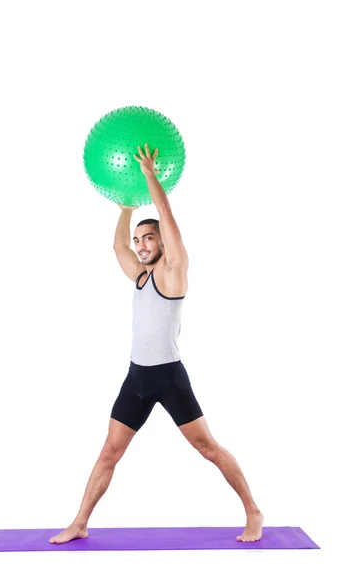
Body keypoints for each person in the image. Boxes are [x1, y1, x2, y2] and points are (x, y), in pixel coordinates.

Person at [49, 144, 264, 544]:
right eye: (139, 240)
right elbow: (117, 248)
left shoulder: (172, 273)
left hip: (169, 378)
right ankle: (80, 521)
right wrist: (125, 202)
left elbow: (167, 218)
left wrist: (149, 177)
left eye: (149, 239)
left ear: (163, 243)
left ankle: (253, 510)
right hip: (136, 378)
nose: (142, 245)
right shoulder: (141, 276)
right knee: (108, 453)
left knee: (208, 448)